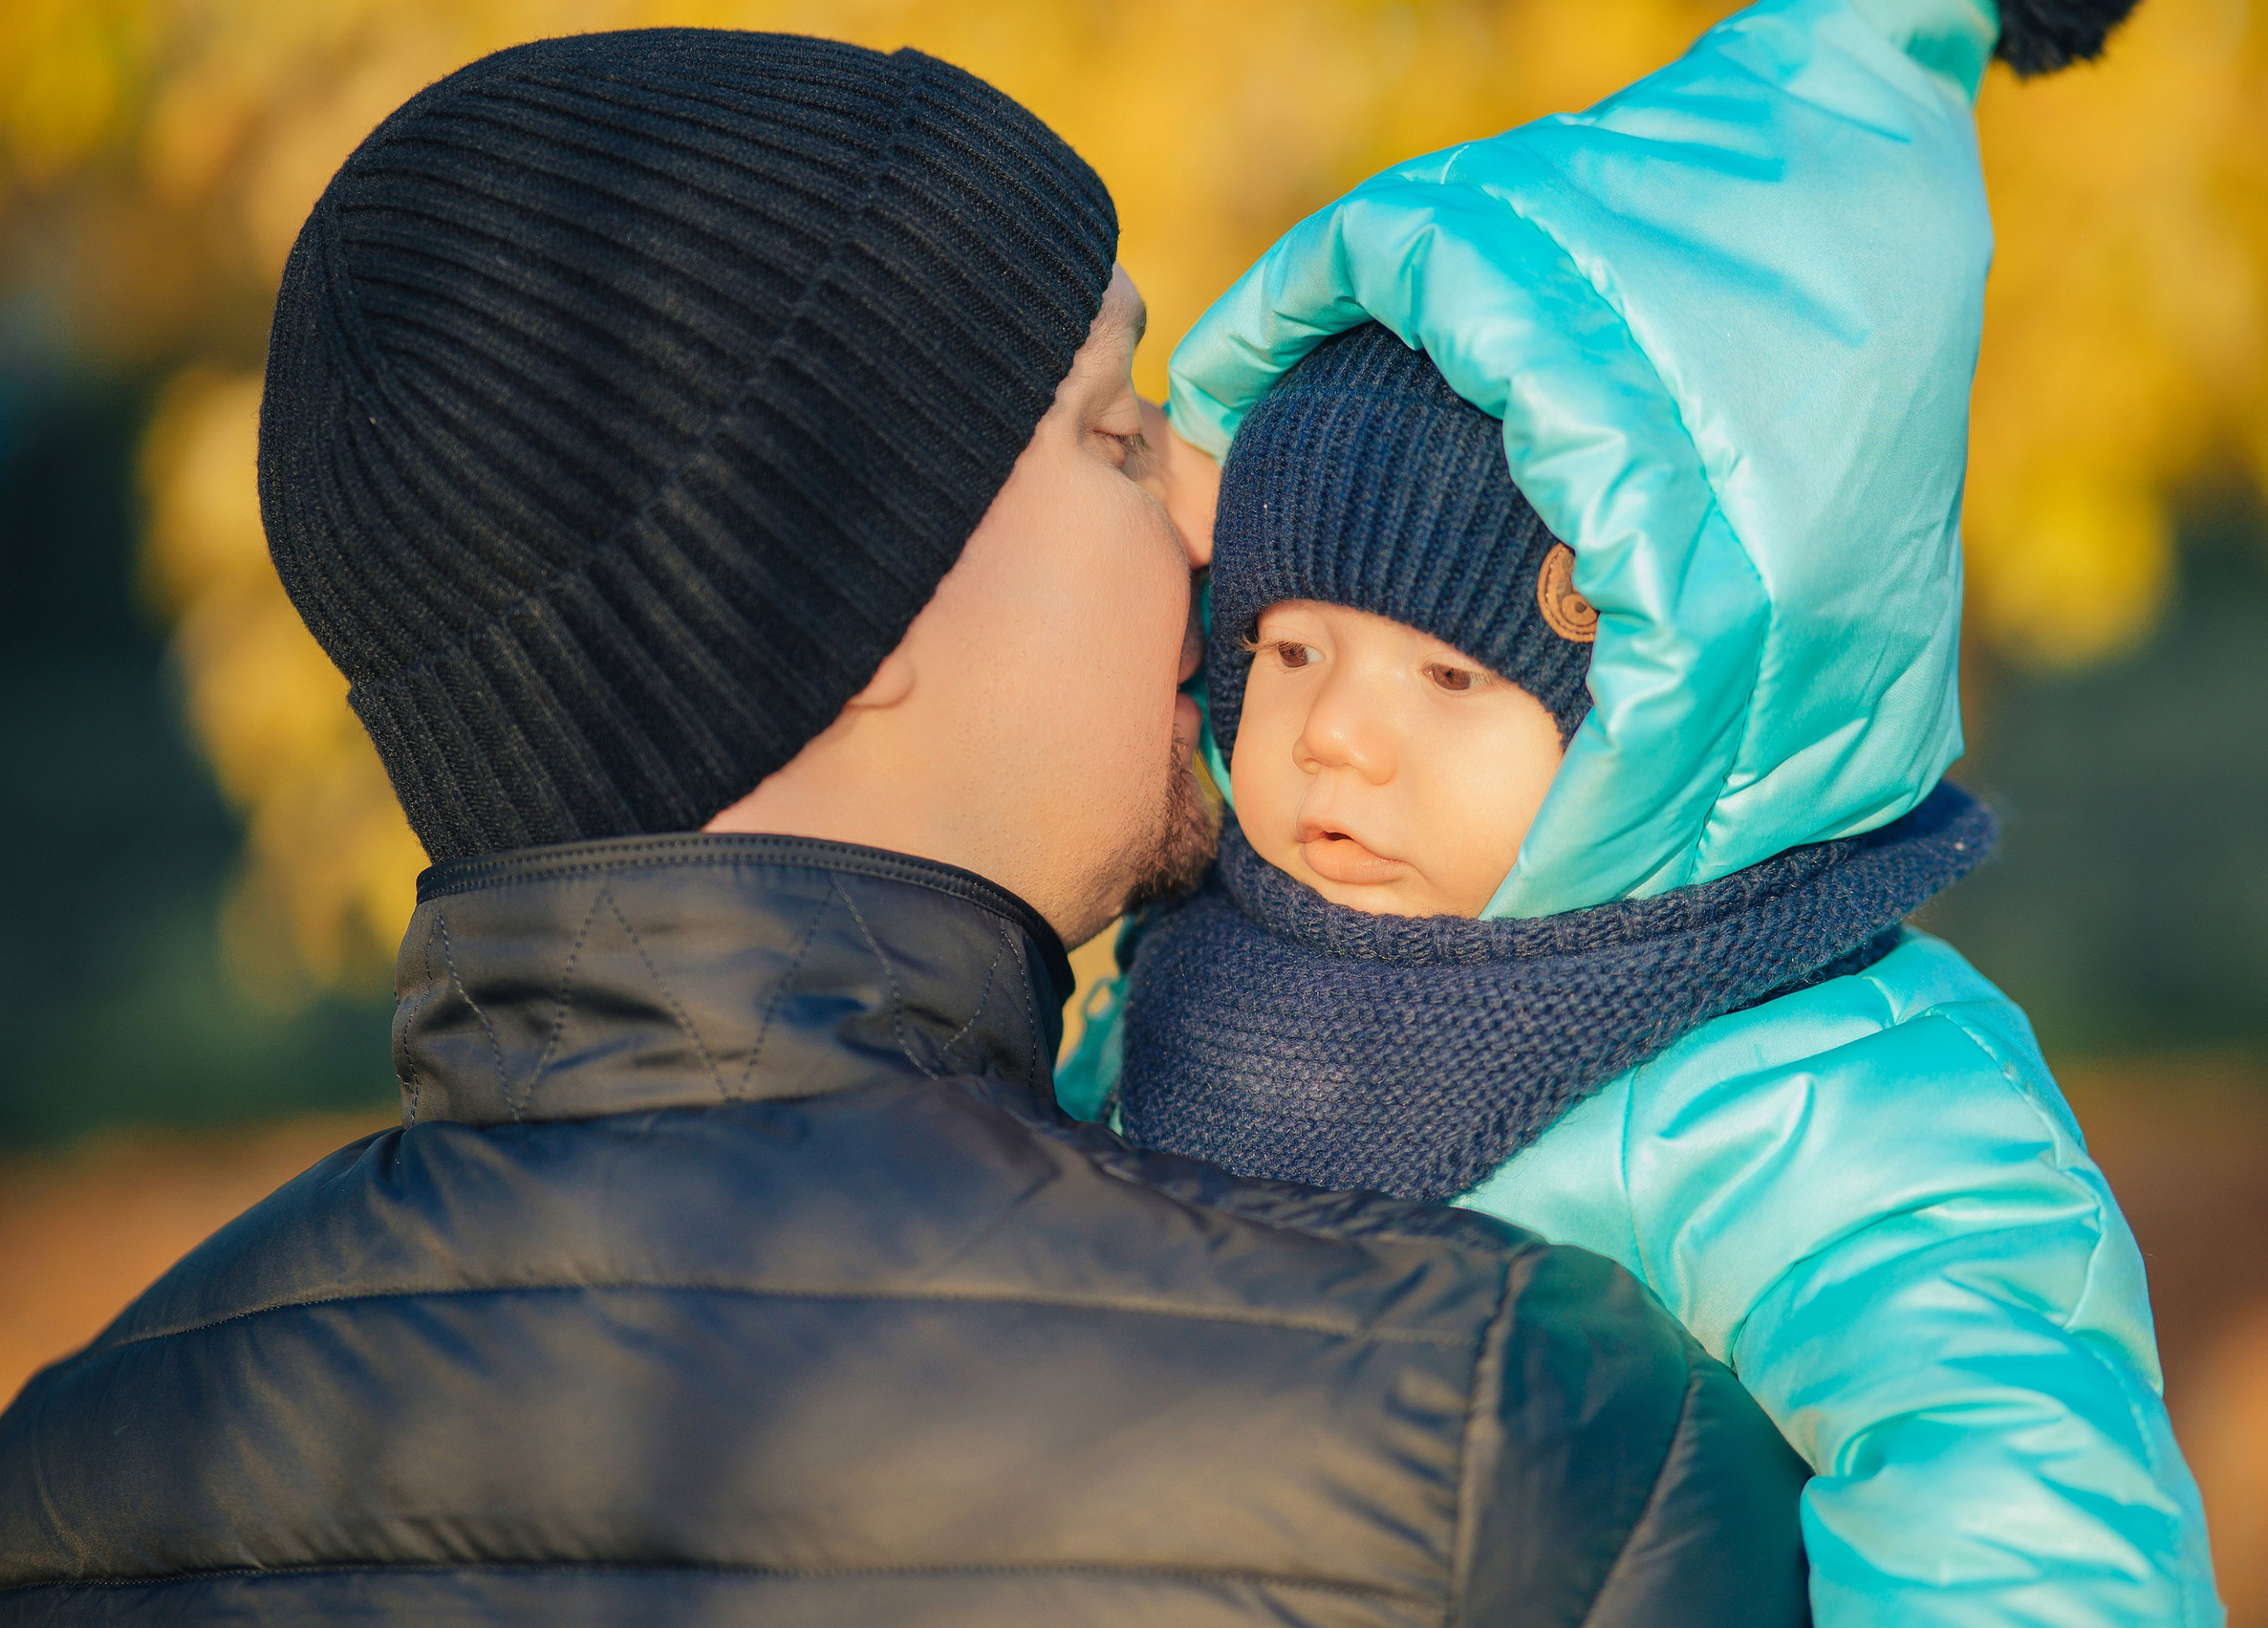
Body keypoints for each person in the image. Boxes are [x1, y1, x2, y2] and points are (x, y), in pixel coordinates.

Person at [0, 30, 1815, 1628]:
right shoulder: (1504, 1447)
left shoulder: (68, 1497)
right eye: (1114, 433)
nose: (1214, 512)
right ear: (844, 605)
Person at [1068, 1, 2227, 1625]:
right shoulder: (1192, 974)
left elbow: (2006, 1481)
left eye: (1453, 676)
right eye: (1290, 648)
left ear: (1657, 716)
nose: (1336, 736)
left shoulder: (1802, 1081)